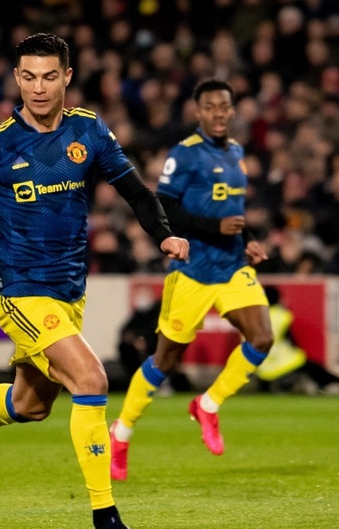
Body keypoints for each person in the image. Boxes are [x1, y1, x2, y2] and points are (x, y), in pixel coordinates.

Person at [0, 33, 189, 529]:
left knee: (31, 404)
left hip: (67, 295)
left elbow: (134, 191)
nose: (38, 87)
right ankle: (107, 522)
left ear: (67, 77)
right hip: (18, 293)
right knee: (91, 379)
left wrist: (164, 234)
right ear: (17, 79)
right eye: (28, 76)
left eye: (48, 76)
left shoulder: (89, 130)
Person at [109, 79, 274, 481]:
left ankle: (209, 405)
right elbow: (163, 206)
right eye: (210, 107)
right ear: (198, 112)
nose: (219, 113)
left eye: (225, 106)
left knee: (263, 338)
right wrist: (216, 228)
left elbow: (231, 212)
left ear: (233, 111)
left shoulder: (236, 153)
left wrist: (247, 240)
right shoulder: (184, 156)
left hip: (232, 267)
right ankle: (122, 431)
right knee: (165, 361)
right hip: (193, 272)